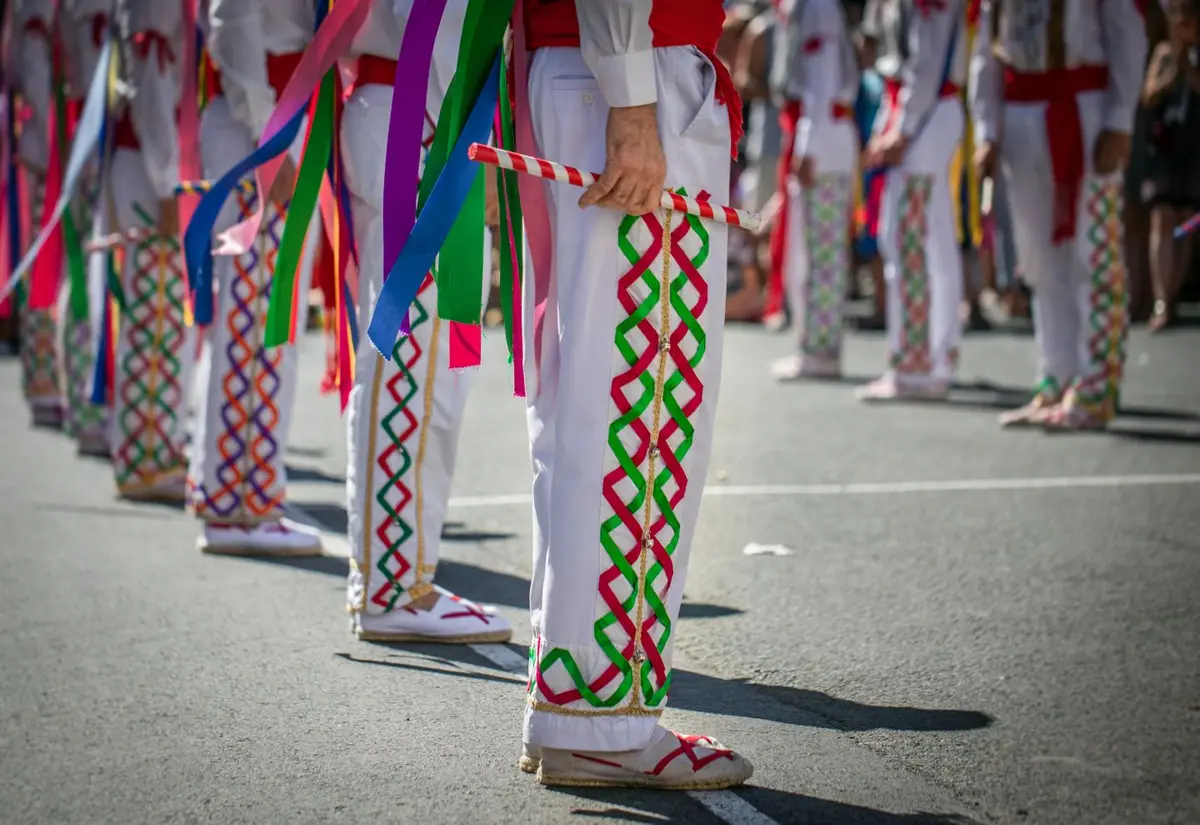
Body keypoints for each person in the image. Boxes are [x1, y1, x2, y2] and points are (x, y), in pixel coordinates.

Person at [516, 0, 753, 790]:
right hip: (631, 73)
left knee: (594, 404)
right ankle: (601, 717)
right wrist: (631, 97)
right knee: (639, 406)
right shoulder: (628, 86)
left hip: (605, 72)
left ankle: (576, 704)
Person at [340, 0, 511, 643]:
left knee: (408, 357)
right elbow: (445, 25)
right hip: (426, 118)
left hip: (405, 109)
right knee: (413, 359)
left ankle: (391, 575)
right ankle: (391, 584)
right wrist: (478, 142)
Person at [973, 0, 1147, 430]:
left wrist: (1120, 118)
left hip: (1084, 109)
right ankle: (1056, 374)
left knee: (1092, 251)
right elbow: (986, 48)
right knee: (1037, 258)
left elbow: (1127, 29)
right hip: (1020, 113)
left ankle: (1095, 385)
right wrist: (987, 129)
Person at [187, 0, 322, 554]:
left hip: (276, 115)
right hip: (265, 121)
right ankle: (238, 503)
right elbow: (234, 18)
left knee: (263, 317)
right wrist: (269, 139)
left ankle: (242, 494)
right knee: (256, 320)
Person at [99, 0, 196, 502]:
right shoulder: (154, 15)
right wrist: (166, 185)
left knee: (158, 320)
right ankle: (142, 458)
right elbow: (154, 89)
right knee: (153, 321)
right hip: (151, 173)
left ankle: (153, 448)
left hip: (146, 168)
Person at [856, 0, 967, 403]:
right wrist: (890, 126)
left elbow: (927, 60)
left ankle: (916, 365)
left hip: (927, 114)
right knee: (929, 237)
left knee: (907, 238)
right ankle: (935, 357)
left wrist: (901, 129)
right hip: (919, 112)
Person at [770, 0, 860, 380]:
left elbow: (822, 82)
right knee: (810, 253)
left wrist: (807, 147)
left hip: (823, 144)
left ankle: (820, 348)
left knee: (820, 255)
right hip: (820, 139)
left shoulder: (818, 7)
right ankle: (814, 343)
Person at [54, 0, 107, 456]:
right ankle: (88, 406)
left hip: (96, 133)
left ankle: (85, 403)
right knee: (89, 271)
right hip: (100, 134)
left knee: (86, 272)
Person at [10, 0, 63, 428]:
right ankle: (44, 380)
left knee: (63, 271)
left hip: (64, 152)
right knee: (45, 269)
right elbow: (33, 74)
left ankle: (58, 380)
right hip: (49, 156)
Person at [1141, 0, 1200, 332]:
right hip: (1164, 149)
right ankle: (1161, 298)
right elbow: (1147, 96)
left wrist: (1189, 68)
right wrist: (1172, 69)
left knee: (1185, 223)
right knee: (1161, 219)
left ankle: (1174, 294)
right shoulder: (1164, 53)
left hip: (1192, 150)